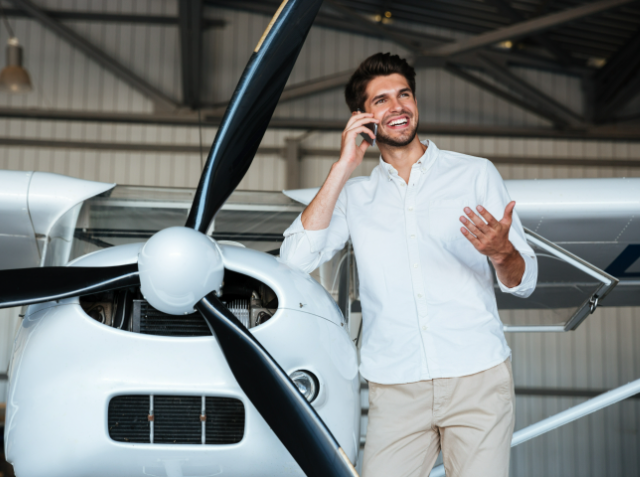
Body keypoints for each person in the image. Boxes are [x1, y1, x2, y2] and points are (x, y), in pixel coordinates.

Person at [280, 52, 538, 477]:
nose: (397, 106)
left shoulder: (475, 174)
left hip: (477, 376)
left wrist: (501, 252)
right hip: (395, 385)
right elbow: (293, 259)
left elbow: (523, 281)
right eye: (381, 100)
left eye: (404, 94)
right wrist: (344, 164)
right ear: (361, 117)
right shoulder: (354, 196)